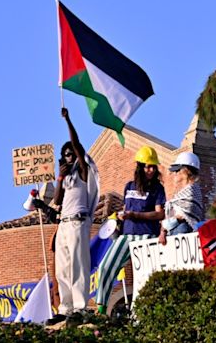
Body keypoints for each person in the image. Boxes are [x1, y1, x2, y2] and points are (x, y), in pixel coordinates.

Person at [45, 107, 100, 327]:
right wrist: (59, 177)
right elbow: (56, 201)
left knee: (78, 264)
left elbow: (77, 146)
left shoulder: (84, 173)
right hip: (64, 223)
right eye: (65, 154)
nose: (69, 156)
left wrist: (68, 121)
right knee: (62, 268)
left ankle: (80, 306)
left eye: (71, 154)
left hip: (78, 221)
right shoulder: (65, 179)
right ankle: (65, 307)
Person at [96, 146, 166, 314]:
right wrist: (121, 217)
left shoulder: (157, 189)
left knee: (146, 276)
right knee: (105, 266)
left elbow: (160, 214)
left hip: (147, 236)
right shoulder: (129, 186)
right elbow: (126, 208)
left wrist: (136, 215)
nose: (150, 170)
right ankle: (101, 307)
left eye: (153, 167)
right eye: (147, 166)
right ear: (139, 167)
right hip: (127, 235)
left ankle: (148, 312)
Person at [159, 152, 204, 245]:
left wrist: (165, 227)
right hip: (173, 231)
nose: (174, 173)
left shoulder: (192, 189)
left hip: (182, 230)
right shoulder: (182, 192)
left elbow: (183, 215)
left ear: (185, 171)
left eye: (177, 170)